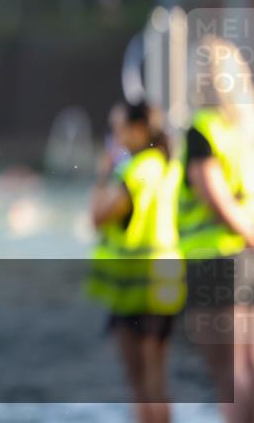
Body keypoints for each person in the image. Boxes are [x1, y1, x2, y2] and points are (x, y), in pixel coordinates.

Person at [87, 100, 183, 423]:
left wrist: (101, 175)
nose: (113, 137)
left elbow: (98, 217)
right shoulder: (169, 164)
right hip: (166, 280)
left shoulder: (137, 169)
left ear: (139, 129)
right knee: (157, 379)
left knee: (141, 382)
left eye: (117, 129)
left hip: (136, 287)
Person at [177, 36, 254, 423]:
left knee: (230, 372)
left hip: (214, 262)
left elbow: (216, 200)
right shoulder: (246, 130)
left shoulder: (201, 130)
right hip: (244, 259)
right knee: (248, 367)